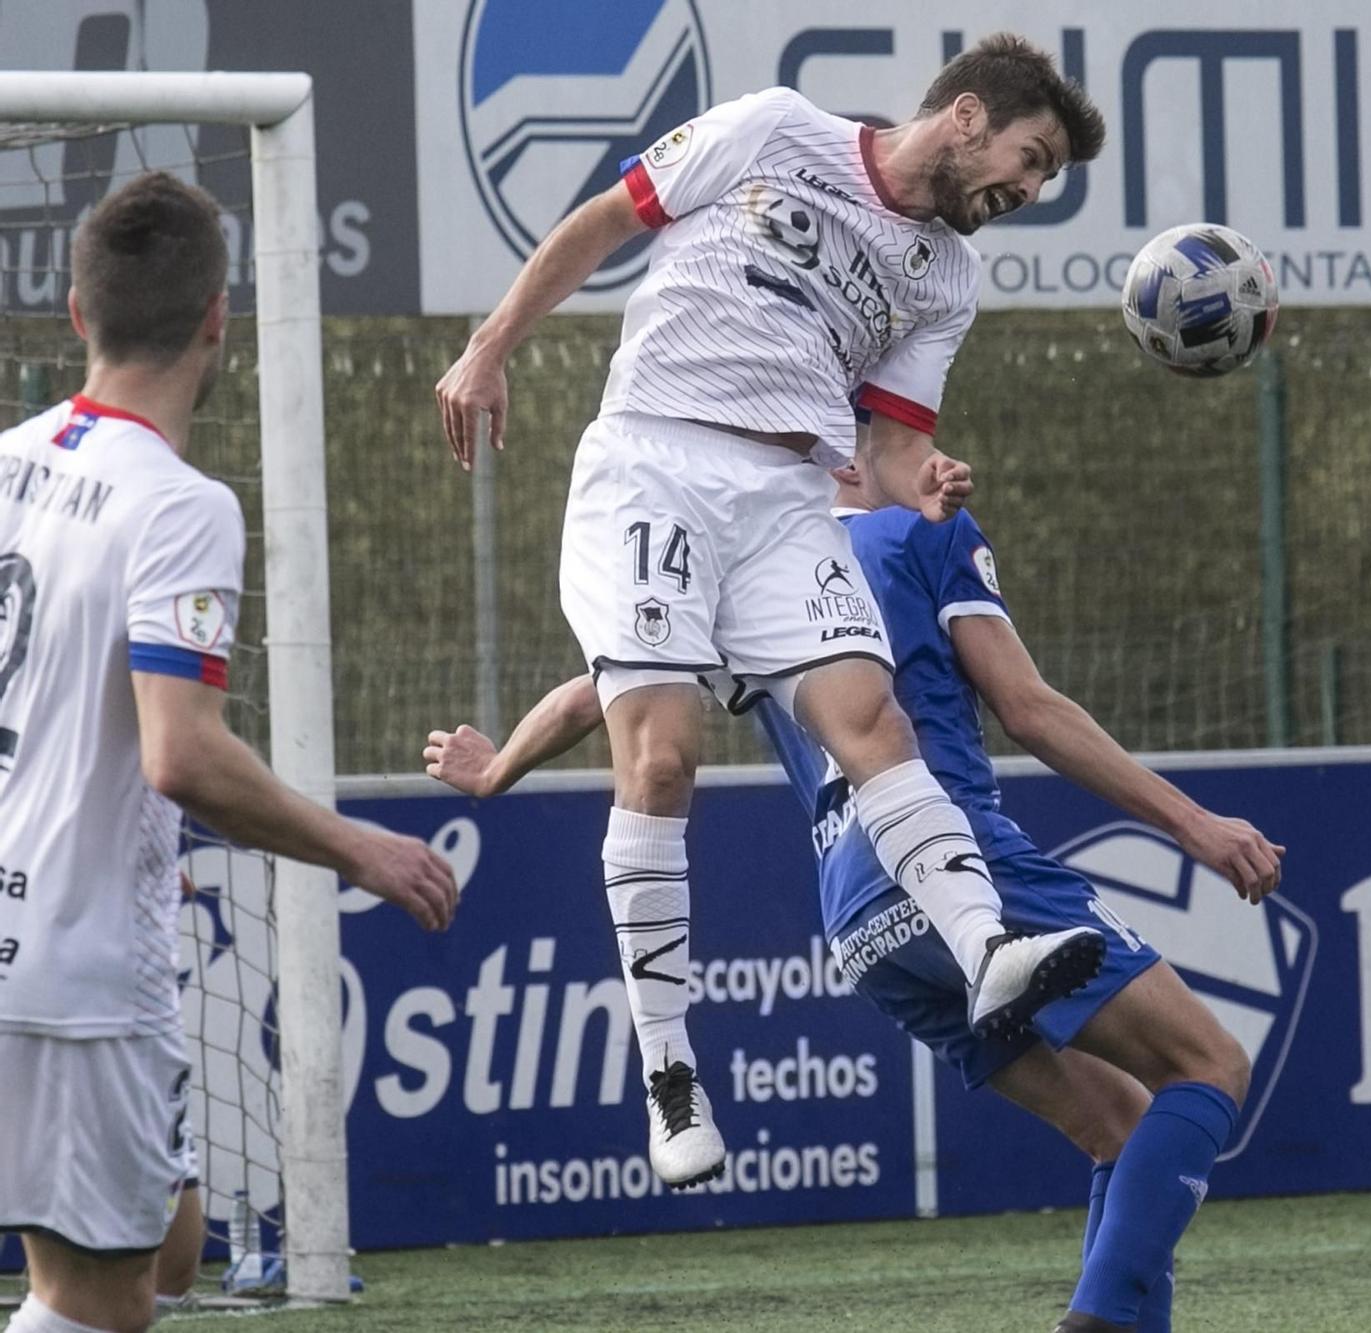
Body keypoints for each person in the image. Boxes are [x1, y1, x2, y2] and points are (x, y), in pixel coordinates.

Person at [434, 34, 1111, 1189]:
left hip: (788, 495)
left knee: (873, 721)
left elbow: (887, 444)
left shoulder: (945, 275)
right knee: (660, 759)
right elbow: (606, 220)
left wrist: (924, 479)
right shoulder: (775, 129)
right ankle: (667, 1072)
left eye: (1044, 177)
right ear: (962, 117)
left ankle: (988, 946)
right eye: (1029, 157)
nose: (1028, 190)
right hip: (650, 462)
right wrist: (491, 346)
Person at [421, 448, 1283, 1332]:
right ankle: (1091, 1323)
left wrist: (496, 771)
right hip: (952, 855)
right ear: (857, 448)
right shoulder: (920, 533)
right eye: (912, 433)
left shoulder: (747, 575)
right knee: (1209, 1063)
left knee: (1124, 1128)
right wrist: (1195, 825)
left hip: (860, 918)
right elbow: (1029, 708)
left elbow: (587, 695)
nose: (931, 452)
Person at [0, 172, 458, 1333]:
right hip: (69, 961)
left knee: (160, 1255)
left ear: (74, 310)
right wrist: (359, 848)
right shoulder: (180, 505)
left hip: (44, 943)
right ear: (219, 316)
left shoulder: (5, 460)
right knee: (104, 1298)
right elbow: (182, 755)